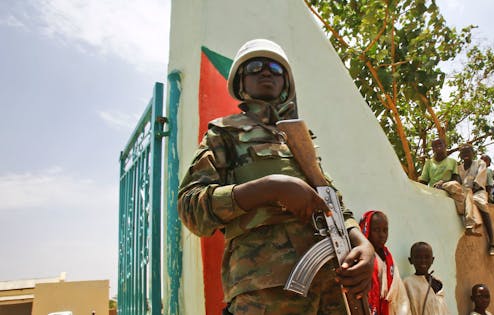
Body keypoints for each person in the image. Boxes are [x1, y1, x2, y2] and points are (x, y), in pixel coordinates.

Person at [177, 39, 374, 314]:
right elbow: (190, 208)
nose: (266, 72)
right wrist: (271, 188)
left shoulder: (302, 139)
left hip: (333, 286)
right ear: (241, 83)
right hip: (264, 291)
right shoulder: (223, 133)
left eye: (275, 68)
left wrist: (363, 244)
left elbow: (333, 202)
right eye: (255, 67)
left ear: (286, 83)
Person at [360, 211, 411, 315]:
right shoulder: (362, 256)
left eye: (385, 230)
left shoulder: (389, 259)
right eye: (376, 230)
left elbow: (400, 295)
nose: (382, 235)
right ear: (367, 229)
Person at [459, 146, 494, 256]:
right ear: (460, 155)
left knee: (481, 204)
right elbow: (458, 182)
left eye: (468, 152)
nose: (466, 154)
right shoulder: (459, 168)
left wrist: (470, 191)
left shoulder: (480, 163)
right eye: (463, 152)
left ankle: (492, 242)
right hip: (464, 192)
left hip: (477, 192)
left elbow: (479, 181)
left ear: (473, 153)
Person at [403, 242, 448, 315]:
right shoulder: (407, 283)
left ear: (432, 260)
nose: (423, 260)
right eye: (418, 257)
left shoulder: (438, 282)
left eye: (427, 257)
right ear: (410, 260)